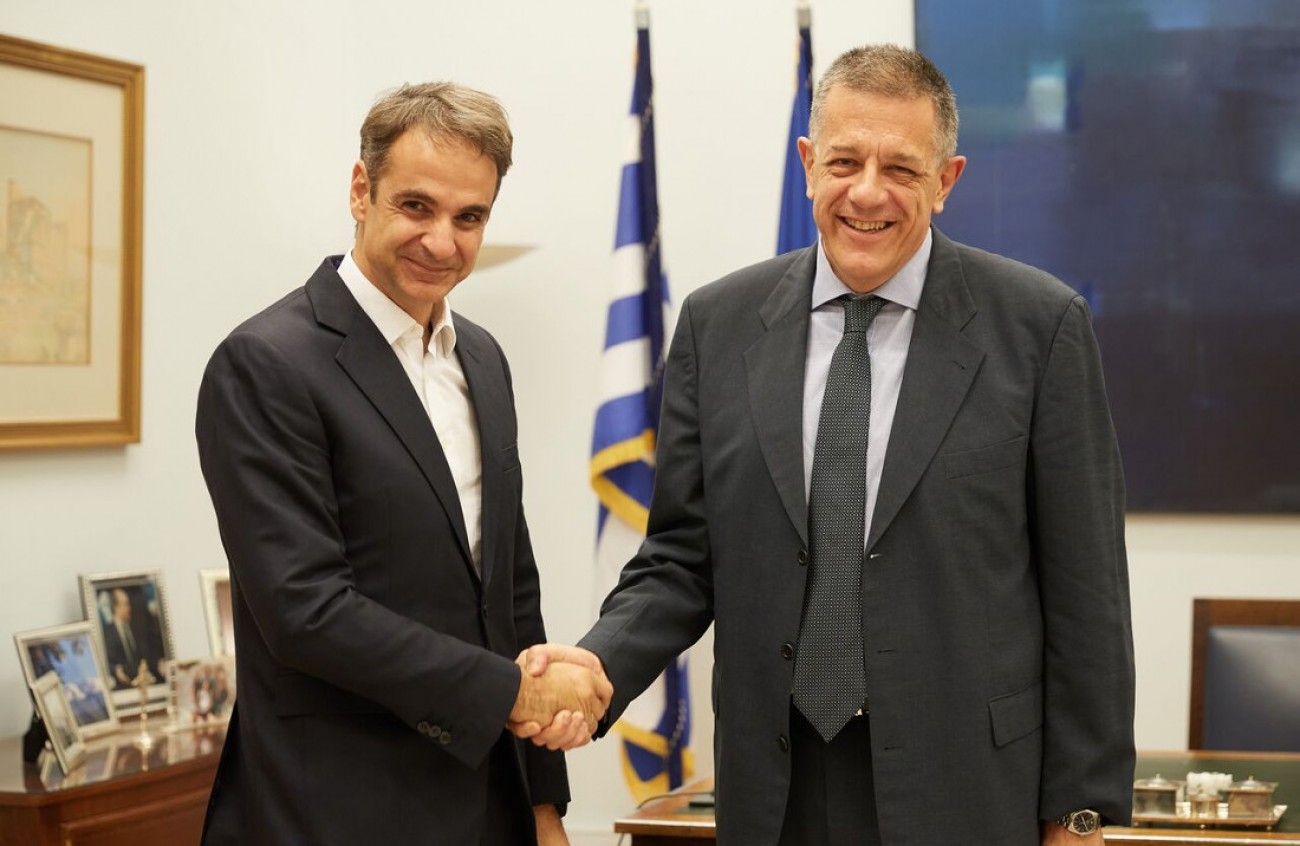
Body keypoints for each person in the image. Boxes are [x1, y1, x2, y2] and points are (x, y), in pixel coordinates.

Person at [521, 44, 1135, 845]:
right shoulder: (717, 325)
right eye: (844, 162)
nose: (867, 192)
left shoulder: (1038, 328)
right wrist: (600, 664)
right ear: (809, 164)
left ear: (946, 181)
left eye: (901, 169)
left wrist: (1080, 814)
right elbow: (680, 557)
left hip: (966, 789)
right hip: (775, 790)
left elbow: (1087, 592)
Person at [196, 81, 610, 846]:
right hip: (336, 810)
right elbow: (305, 610)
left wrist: (543, 806)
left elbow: (510, 592)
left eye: (469, 217)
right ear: (362, 190)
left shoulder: (481, 357)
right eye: (417, 207)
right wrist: (509, 693)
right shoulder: (265, 363)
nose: (442, 242)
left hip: (490, 808)